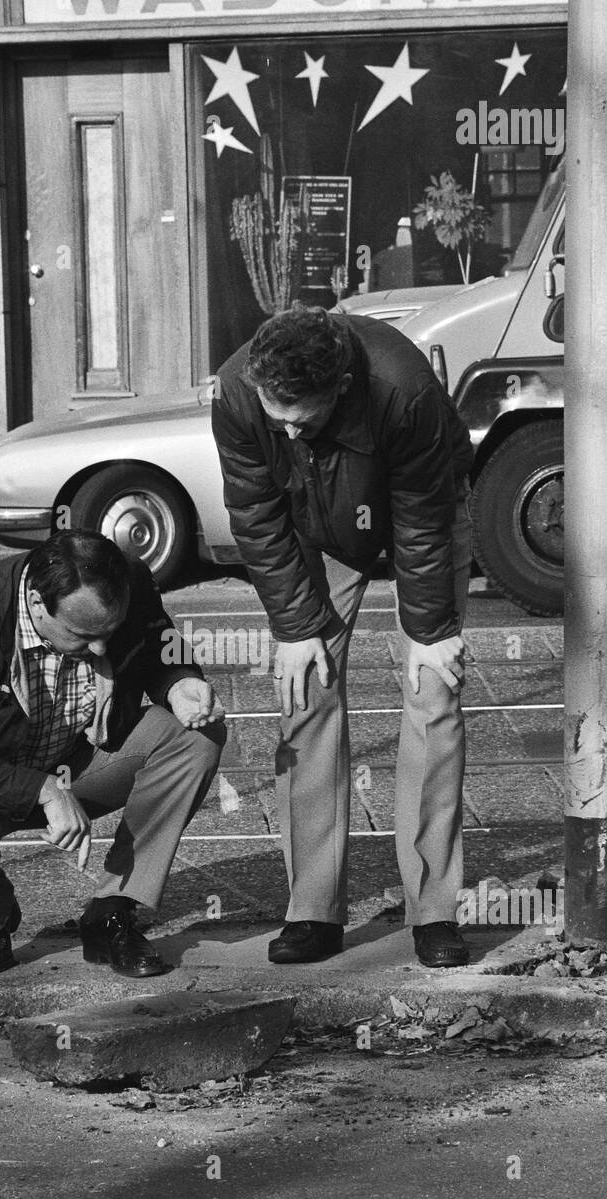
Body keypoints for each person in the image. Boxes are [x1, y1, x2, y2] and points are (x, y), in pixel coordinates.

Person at [212, 305, 474, 969]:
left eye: (304, 415)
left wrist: (430, 631)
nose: (288, 428)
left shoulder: (402, 389)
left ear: (343, 389)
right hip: (315, 527)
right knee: (302, 690)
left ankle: (433, 909)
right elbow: (254, 512)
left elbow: (420, 524)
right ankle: (312, 908)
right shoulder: (238, 390)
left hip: (426, 514)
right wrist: (297, 628)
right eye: (278, 415)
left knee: (434, 693)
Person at [0, 530, 226, 977]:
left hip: (83, 761)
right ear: (36, 603)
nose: (100, 649)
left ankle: (112, 912)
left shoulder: (126, 581)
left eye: (109, 632)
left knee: (196, 739)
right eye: (82, 635)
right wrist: (43, 790)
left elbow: (157, 643)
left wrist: (179, 683)